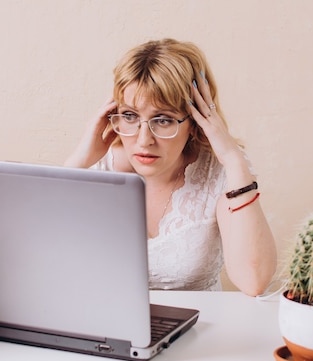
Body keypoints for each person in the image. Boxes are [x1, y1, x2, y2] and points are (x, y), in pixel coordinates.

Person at [65, 38, 277, 296]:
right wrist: (76, 164)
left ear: (196, 121)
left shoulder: (221, 172)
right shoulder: (95, 166)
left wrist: (233, 159)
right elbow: (41, 261)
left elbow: (253, 281)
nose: (144, 140)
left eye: (163, 120)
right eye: (130, 116)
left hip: (200, 327)